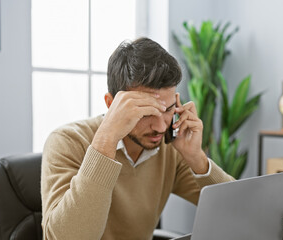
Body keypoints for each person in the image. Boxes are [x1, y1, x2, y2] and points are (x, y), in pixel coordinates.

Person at [41, 37, 235, 240]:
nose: (160, 127)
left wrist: (196, 157)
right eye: (145, 113)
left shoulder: (169, 149)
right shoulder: (66, 142)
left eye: (168, 110)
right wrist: (106, 140)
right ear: (111, 104)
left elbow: (237, 208)